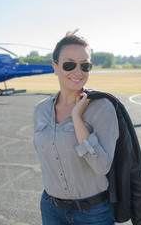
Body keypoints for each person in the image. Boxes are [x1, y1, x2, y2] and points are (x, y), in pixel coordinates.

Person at [33, 30, 119, 224]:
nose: (78, 72)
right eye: (69, 64)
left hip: (92, 213)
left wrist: (77, 118)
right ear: (55, 67)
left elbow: (102, 166)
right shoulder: (40, 110)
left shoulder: (102, 108)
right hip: (51, 208)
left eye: (85, 65)